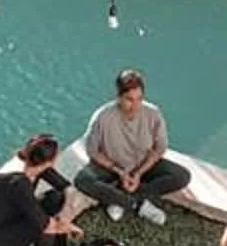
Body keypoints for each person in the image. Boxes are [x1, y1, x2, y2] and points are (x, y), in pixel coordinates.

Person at [76, 70, 194, 226]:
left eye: (139, 99)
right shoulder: (103, 116)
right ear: (118, 97)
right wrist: (119, 171)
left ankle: (119, 197)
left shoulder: (153, 113)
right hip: (113, 167)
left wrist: (138, 173)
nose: (135, 105)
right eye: (129, 99)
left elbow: (160, 147)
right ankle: (137, 204)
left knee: (182, 176)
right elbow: (92, 150)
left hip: (142, 164)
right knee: (83, 180)